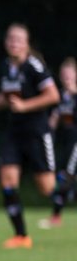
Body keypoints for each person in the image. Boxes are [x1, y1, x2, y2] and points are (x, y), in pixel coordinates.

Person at [0, 23, 60, 248]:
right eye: (10, 39)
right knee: (7, 180)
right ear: (6, 43)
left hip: (37, 132)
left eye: (18, 39)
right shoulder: (7, 65)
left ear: (26, 43)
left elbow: (53, 96)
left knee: (47, 188)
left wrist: (25, 106)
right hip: (14, 132)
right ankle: (21, 236)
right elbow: (8, 96)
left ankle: (69, 184)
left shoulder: (34, 66)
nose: (14, 43)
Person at [39, 56, 77, 229]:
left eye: (70, 74)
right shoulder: (59, 96)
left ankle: (55, 216)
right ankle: (56, 216)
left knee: (64, 178)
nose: (66, 77)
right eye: (64, 74)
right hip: (65, 144)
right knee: (64, 178)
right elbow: (54, 121)